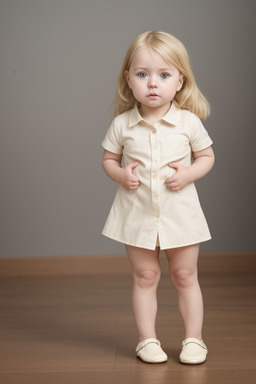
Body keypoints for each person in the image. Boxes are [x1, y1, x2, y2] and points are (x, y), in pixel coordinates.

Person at [101, 31, 215, 365]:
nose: (153, 84)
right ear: (129, 80)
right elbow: (108, 160)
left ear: (180, 80)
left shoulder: (188, 122)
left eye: (163, 75)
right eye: (143, 74)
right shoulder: (123, 124)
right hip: (136, 212)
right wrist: (121, 174)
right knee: (145, 276)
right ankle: (147, 340)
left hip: (179, 212)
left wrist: (188, 174)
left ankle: (194, 339)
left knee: (185, 274)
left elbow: (206, 157)